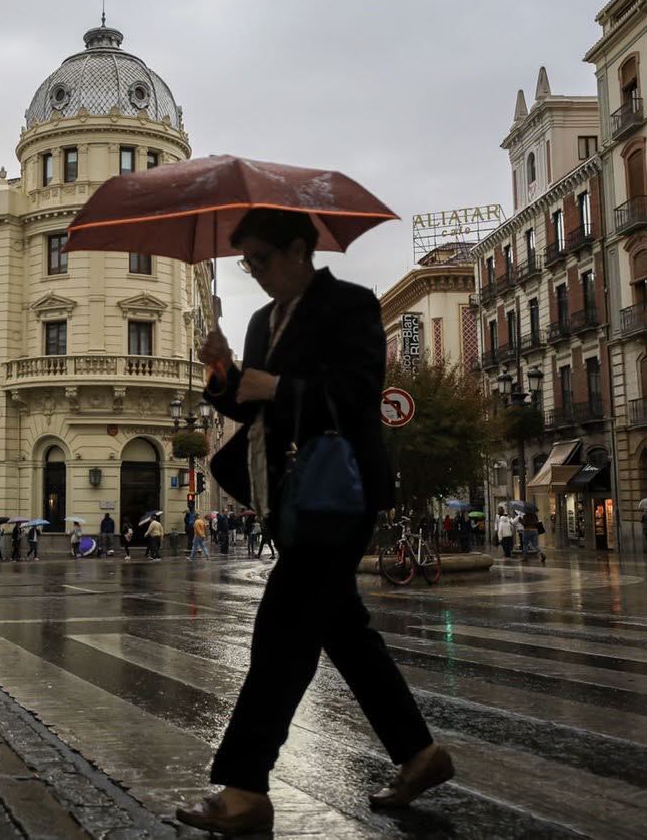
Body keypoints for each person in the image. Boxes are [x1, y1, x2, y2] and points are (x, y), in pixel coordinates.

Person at [177, 209, 451, 834]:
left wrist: (274, 386)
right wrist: (221, 373)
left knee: (281, 631)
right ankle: (420, 753)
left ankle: (244, 786)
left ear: (299, 249)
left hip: (340, 492)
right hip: (290, 497)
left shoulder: (350, 305)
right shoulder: (258, 320)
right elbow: (245, 405)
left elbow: (357, 394)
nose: (257, 272)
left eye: (263, 260)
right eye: (247, 263)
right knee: (343, 632)